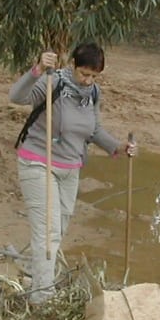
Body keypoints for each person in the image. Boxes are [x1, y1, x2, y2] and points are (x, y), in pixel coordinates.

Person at [9, 42, 137, 304]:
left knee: (60, 227)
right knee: (48, 230)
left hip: (70, 168)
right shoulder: (53, 81)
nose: (88, 80)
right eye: (84, 74)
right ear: (73, 66)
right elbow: (17, 97)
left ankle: (37, 273)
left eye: (94, 75)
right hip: (39, 163)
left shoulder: (93, 93)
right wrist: (36, 70)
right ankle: (42, 296)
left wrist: (118, 147)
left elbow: (93, 130)